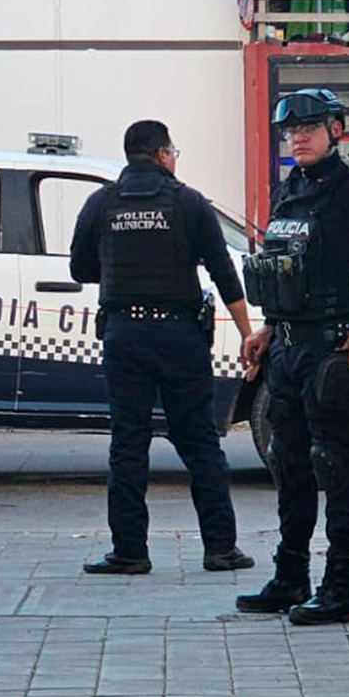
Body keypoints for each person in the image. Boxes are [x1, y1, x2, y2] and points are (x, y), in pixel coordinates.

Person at [236, 89, 349, 625]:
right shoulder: (289, 191)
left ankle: (340, 588)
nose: (298, 138)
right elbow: (286, 267)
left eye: (310, 128)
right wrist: (269, 328)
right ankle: (290, 577)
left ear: (335, 131)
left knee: (333, 464)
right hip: (288, 348)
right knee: (288, 465)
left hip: (336, 348)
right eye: (290, 131)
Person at [68, 120, 257, 576]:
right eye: (173, 151)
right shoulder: (189, 203)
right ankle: (220, 549)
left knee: (128, 444)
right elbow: (223, 271)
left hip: (124, 336)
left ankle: (129, 552)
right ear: (160, 154)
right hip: (180, 338)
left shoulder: (101, 203)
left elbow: (80, 267)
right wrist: (248, 332)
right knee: (198, 442)